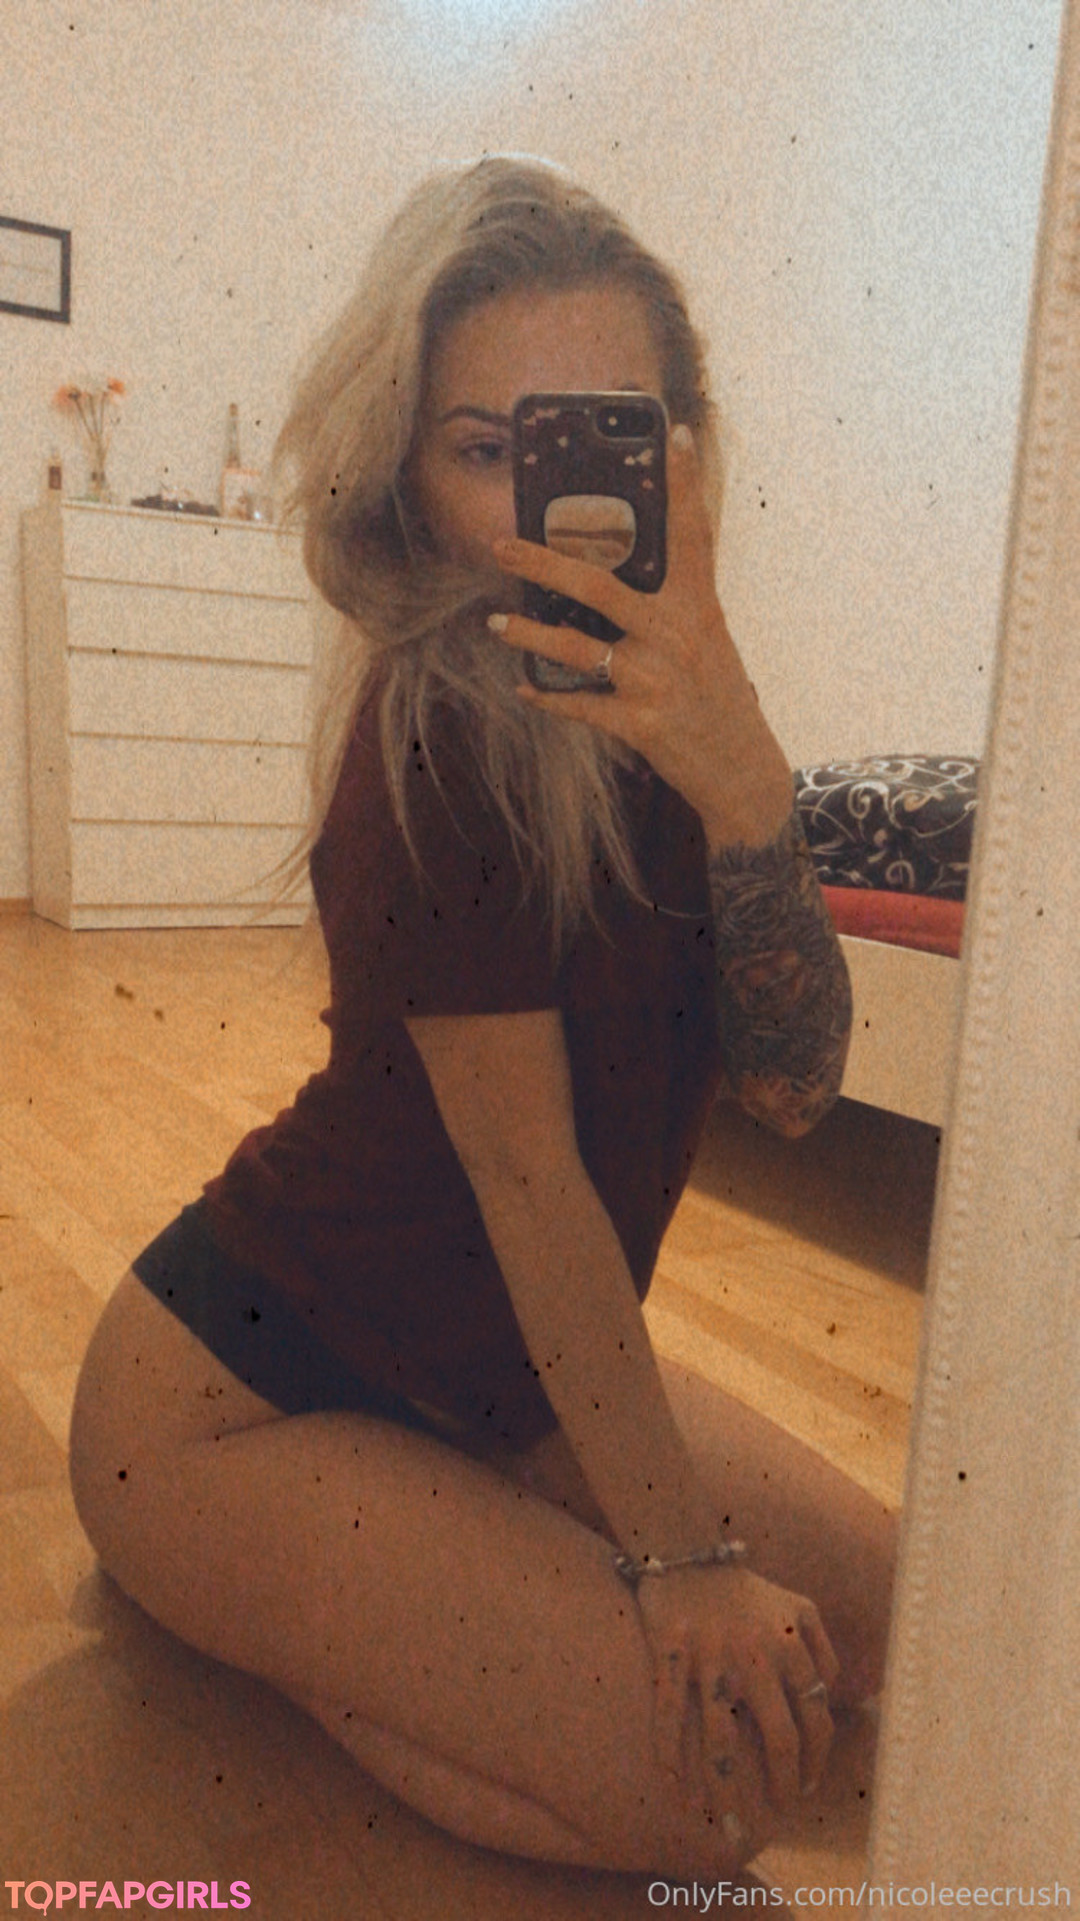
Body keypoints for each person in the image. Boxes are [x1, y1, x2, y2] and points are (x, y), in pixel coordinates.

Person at [69, 156, 896, 1878]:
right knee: (714, 1791)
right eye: (483, 448)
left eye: (601, 438)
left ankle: (423, 1580)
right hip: (235, 1402)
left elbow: (798, 1085)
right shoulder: (439, 733)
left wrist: (752, 783)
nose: (547, 510)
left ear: (682, 455)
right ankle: (314, 1622)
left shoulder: (687, 732)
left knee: (903, 1614)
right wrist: (678, 1566)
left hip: (500, 1381)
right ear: (408, 479)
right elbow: (530, 1183)